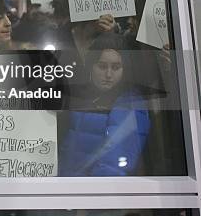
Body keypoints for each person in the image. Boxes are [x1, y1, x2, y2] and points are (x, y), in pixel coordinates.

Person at [59, 33, 151, 176]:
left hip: (95, 192)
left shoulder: (130, 104)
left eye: (116, 67)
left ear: (124, 70)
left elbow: (113, 167)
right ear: (91, 66)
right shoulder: (81, 97)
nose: (108, 74)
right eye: (102, 66)